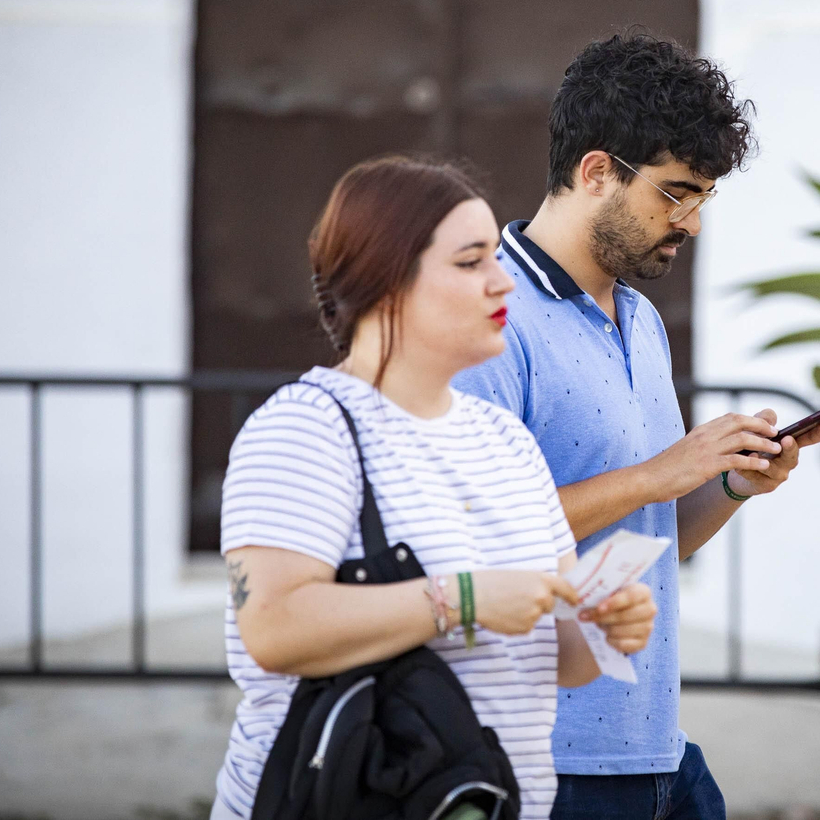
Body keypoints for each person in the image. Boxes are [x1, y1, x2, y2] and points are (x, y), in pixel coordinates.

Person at [211, 156, 659, 820]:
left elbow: (557, 658)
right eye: (471, 261)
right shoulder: (306, 427)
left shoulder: (507, 441)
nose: (502, 281)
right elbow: (273, 629)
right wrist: (464, 599)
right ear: (385, 280)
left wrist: (604, 627)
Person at [453, 33, 820, 819]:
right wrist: (659, 473)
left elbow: (649, 537)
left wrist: (730, 485)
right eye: (676, 193)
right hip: (542, 764)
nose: (691, 222)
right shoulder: (488, 320)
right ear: (596, 171)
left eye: (703, 199)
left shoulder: (643, 320)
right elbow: (472, 543)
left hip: (659, 752)